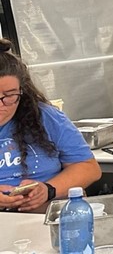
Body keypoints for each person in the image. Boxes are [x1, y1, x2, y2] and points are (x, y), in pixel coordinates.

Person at [0, 39, 102, 213]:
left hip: (47, 217)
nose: (1, 105)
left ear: (22, 92)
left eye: (10, 96)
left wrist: (48, 190)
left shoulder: (45, 116)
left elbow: (88, 167)